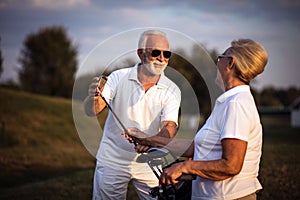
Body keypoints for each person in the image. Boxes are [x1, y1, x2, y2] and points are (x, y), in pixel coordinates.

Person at [124, 39, 268, 200]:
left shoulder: (236, 104)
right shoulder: (229, 102)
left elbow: (231, 165)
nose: (217, 63)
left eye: (220, 58)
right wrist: (149, 140)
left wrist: (185, 167)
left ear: (230, 63)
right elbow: (196, 148)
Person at [83, 30, 181, 200]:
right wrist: (94, 96)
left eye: (167, 54)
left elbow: (169, 127)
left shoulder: (172, 89)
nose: (162, 58)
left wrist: (149, 141)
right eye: (156, 52)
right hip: (112, 161)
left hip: (150, 162)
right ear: (141, 54)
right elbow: (92, 110)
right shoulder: (118, 77)